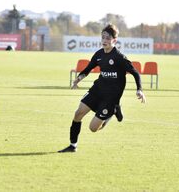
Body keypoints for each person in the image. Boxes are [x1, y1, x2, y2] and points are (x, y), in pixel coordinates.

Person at [58, 24, 146, 153]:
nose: (104, 40)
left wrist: (139, 89)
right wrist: (78, 79)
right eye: (103, 37)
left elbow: (135, 72)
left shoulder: (119, 57)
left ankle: (112, 112)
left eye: (108, 38)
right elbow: (88, 69)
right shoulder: (99, 54)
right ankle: (72, 146)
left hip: (111, 97)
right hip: (97, 90)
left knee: (93, 128)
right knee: (78, 113)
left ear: (114, 41)